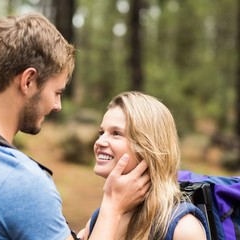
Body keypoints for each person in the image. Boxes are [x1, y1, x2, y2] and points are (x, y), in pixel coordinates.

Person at [0, 13, 151, 240]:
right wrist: (114, 205)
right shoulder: (21, 182)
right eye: (57, 92)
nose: (57, 105)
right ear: (28, 81)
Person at [77, 91, 210, 240]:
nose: (99, 142)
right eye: (101, 132)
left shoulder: (183, 229)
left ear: (148, 147)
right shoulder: (99, 219)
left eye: (116, 133)